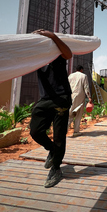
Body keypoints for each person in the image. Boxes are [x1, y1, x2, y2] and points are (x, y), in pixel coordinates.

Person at [29, 29, 72, 188]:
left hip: (61, 98)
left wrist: (53, 36)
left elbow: (69, 54)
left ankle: (56, 168)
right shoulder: (36, 58)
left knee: (59, 136)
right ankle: (53, 151)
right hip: (45, 99)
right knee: (35, 131)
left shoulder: (57, 54)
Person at [68, 65, 93, 137]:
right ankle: (76, 131)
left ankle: (64, 131)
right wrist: (89, 97)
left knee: (70, 114)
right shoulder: (84, 76)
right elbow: (86, 87)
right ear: (81, 69)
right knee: (78, 114)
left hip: (71, 96)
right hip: (80, 96)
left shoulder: (70, 76)